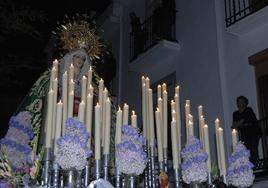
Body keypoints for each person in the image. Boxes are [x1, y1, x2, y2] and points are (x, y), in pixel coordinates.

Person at [232, 96, 261, 162]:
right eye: (238, 102)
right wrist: (241, 125)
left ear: (245, 103)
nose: (239, 103)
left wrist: (240, 124)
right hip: (244, 135)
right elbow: (234, 126)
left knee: (253, 151)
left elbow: (241, 122)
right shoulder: (235, 113)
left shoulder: (248, 110)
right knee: (245, 152)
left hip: (253, 133)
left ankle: (256, 166)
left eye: (241, 102)